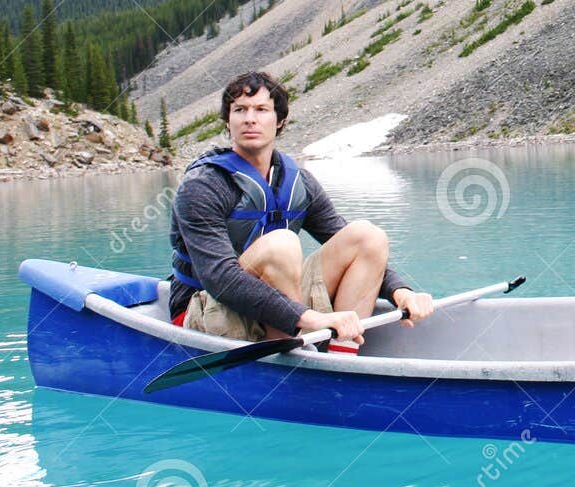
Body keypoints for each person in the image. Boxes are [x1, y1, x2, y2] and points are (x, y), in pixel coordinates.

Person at [168, 70, 433, 348]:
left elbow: (345, 239)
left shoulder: (298, 181)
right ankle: (292, 354)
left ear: (279, 120)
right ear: (228, 121)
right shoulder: (202, 185)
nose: (250, 119)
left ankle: (342, 356)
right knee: (282, 245)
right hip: (206, 310)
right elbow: (219, 278)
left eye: (261, 109)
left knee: (368, 236)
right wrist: (307, 317)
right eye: (239, 110)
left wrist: (401, 293)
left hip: (279, 308)